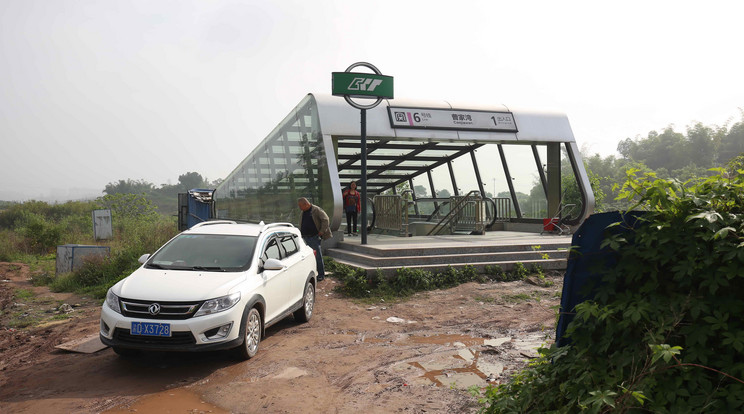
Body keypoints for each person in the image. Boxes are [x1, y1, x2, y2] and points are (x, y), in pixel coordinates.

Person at [297, 197, 331, 281]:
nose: (300, 208)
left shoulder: (316, 210)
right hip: (305, 237)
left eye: (300, 206)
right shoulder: (303, 212)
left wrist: (321, 232)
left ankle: (321, 274)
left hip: (314, 237)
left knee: (318, 256)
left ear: (306, 204)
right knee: (307, 257)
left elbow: (326, 220)